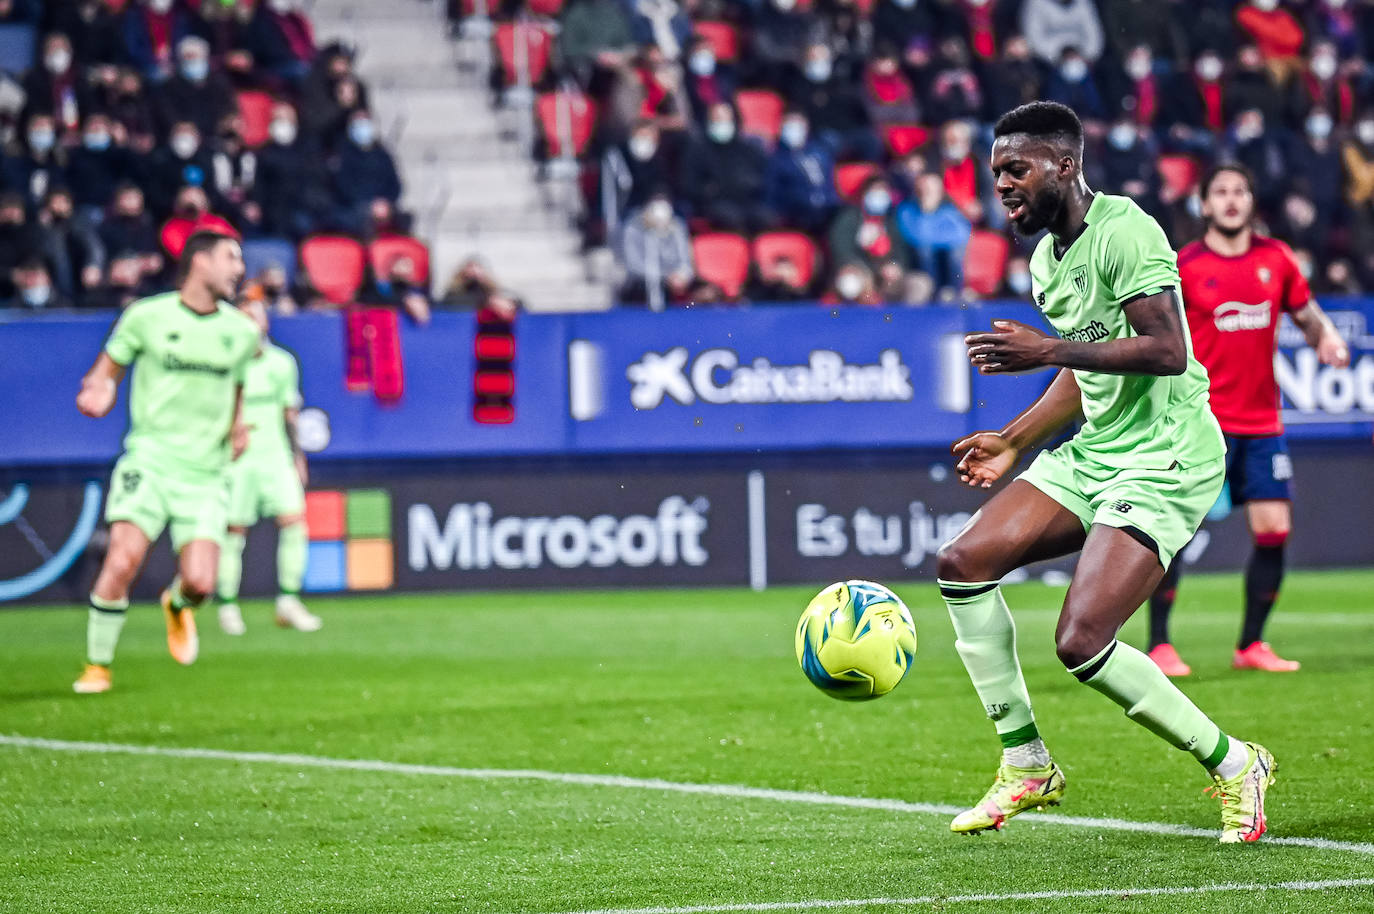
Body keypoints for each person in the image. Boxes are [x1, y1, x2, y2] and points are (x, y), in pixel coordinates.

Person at [937, 101, 1275, 844]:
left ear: (1064, 164)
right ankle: (1026, 762)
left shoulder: (1127, 232)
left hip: (1168, 456)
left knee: (1081, 639)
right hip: (1099, 453)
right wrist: (1016, 439)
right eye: (996, 174)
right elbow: (1086, 369)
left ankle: (1235, 763)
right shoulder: (1045, 260)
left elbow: (1165, 350)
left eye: (1016, 170)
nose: (1004, 186)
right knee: (962, 563)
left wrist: (1049, 351)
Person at [1146, 165, 1349, 677]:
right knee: (1177, 531)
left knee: (1274, 527)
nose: (1232, 200)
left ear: (1251, 201)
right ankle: (1159, 645)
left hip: (1262, 422)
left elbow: (1306, 313)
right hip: (1200, 419)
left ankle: (1251, 645)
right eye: (1221, 192)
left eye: (1241, 191)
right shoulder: (1184, 265)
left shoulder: (1275, 258)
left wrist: (1324, 336)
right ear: (1205, 205)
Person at [72, 230, 259, 695]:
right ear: (199, 262)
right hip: (151, 460)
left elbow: (236, 386)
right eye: (231, 258)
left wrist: (237, 425)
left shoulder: (240, 331)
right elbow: (106, 370)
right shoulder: (146, 317)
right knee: (122, 559)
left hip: (206, 472)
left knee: (200, 582)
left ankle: (177, 605)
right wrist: (99, 388)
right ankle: (97, 666)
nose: (239, 269)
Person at [217, 295, 321, 636]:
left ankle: (288, 602)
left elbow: (288, 414)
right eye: (245, 317)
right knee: (234, 532)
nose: (252, 323)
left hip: (275, 457)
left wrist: (296, 457)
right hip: (237, 461)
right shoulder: (226, 363)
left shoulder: (282, 363)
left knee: (294, 523)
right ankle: (228, 607)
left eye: (257, 316)